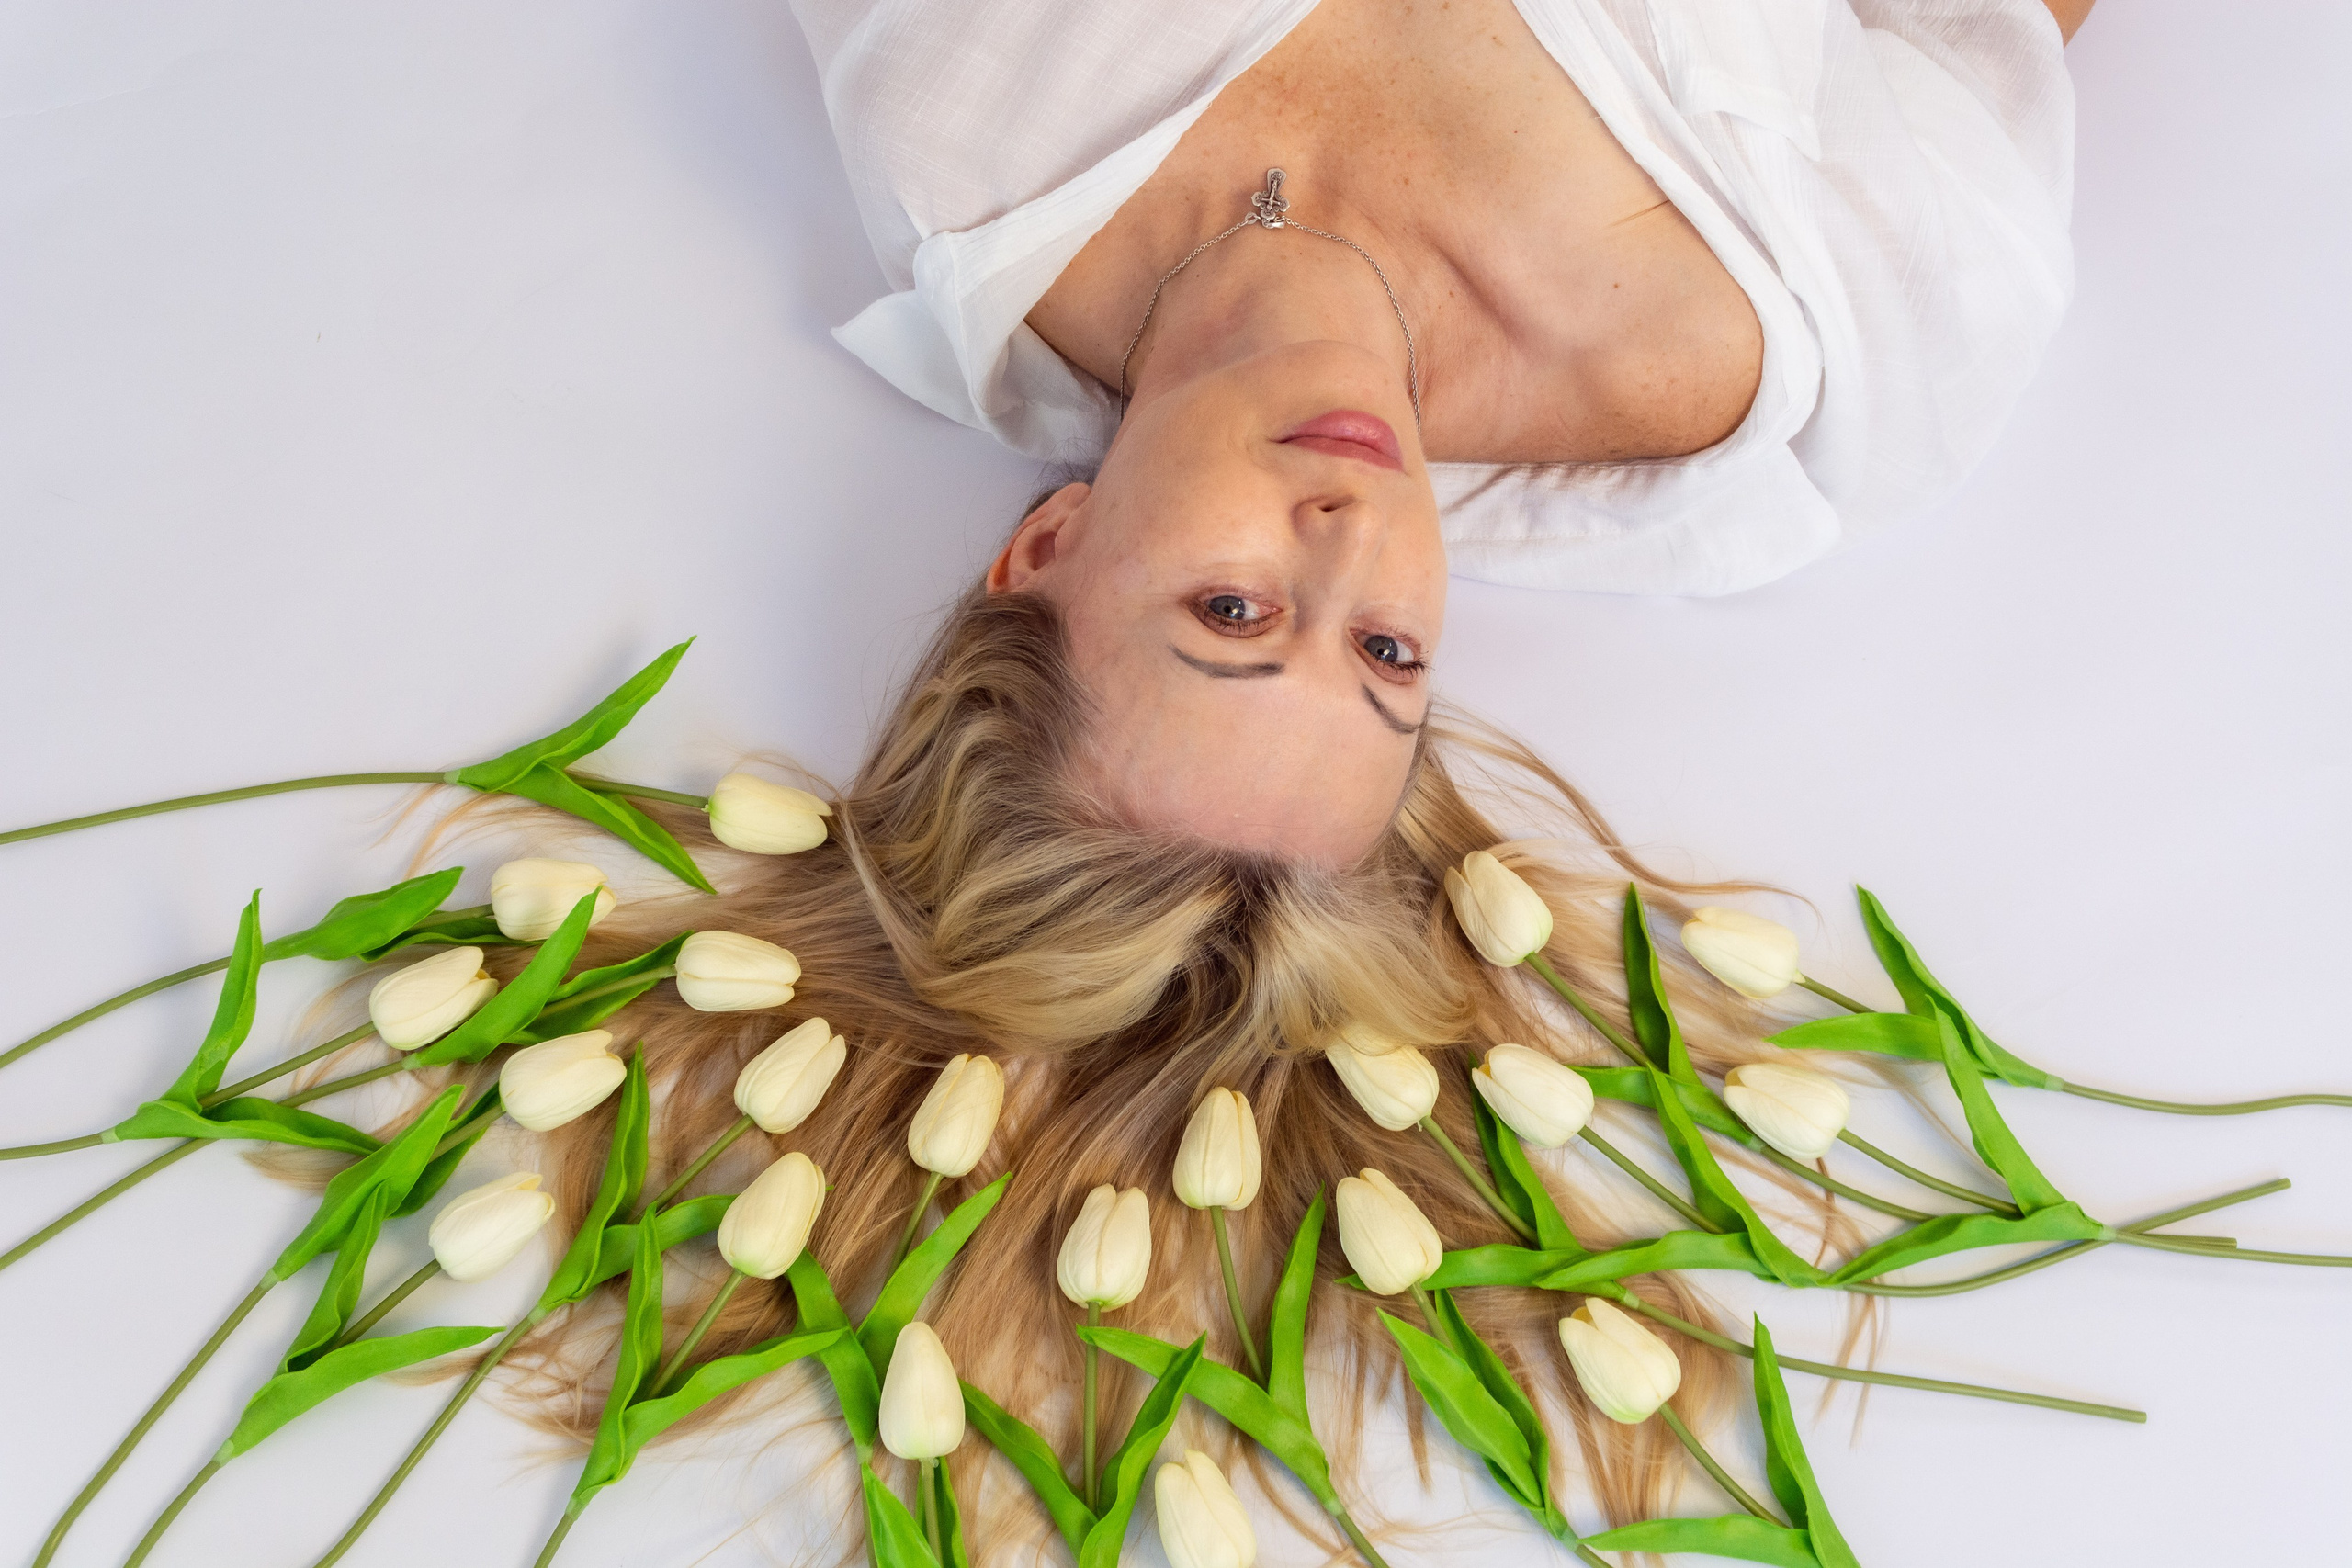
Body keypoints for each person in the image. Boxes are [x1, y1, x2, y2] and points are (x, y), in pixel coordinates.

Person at [420, 1, 2095, 1559]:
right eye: (1384, 655)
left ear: (1049, 546)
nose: (1352, 537)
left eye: (1232, 615)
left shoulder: (964, 102)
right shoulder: (1757, 371)